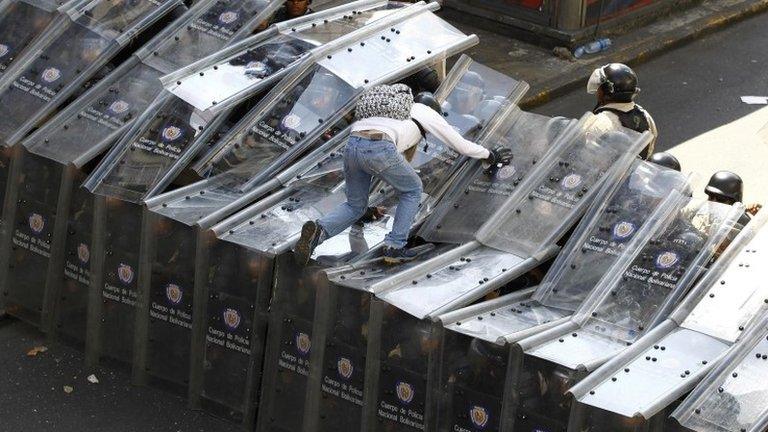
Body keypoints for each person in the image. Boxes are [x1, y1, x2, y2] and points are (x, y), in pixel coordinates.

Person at [294, 84, 512, 265]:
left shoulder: (391, 111)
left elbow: (377, 162)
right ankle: (395, 247)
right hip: (379, 146)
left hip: (352, 145)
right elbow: (460, 145)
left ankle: (318, 234)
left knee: (354, 205)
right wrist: (489, 155)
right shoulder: (425, 111)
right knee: (413, 189)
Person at [587, 63, 658, 159]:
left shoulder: (598, 122)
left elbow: (586, 156)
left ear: (606, 91)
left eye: (600, 86)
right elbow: (649, 150)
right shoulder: (645, 116)